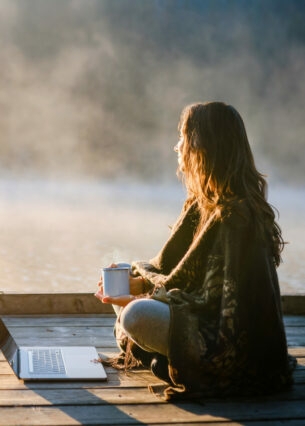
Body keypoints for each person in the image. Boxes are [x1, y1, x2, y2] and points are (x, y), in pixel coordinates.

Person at [95, 101, 295, 400]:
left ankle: (170, 360)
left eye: (183, 139)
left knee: (136, 315)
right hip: (194, 310)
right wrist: (141, 285)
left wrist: (138, 298)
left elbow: (215, 303)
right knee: (122, 272)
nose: (177, 148)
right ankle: (164, 359)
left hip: (229, 344)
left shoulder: (235, 216)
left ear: (204, 148)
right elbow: (177, 276)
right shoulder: (200, 205)